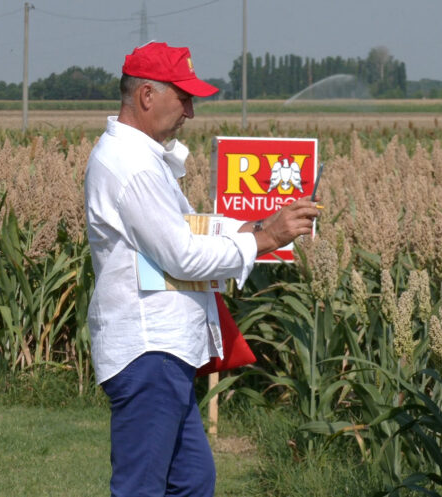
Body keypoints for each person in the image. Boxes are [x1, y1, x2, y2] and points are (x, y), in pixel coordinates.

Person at [84, 42, 319, 497]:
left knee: (193, 480)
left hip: (163, 351)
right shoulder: (132, 167)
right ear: (147, 96)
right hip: (148, 351)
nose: (190, 111)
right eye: (184, 97)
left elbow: (189, 228)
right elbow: (183, 255)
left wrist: (259, 225)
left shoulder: (142, 159)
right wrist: (265, 240)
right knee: (142, 488)